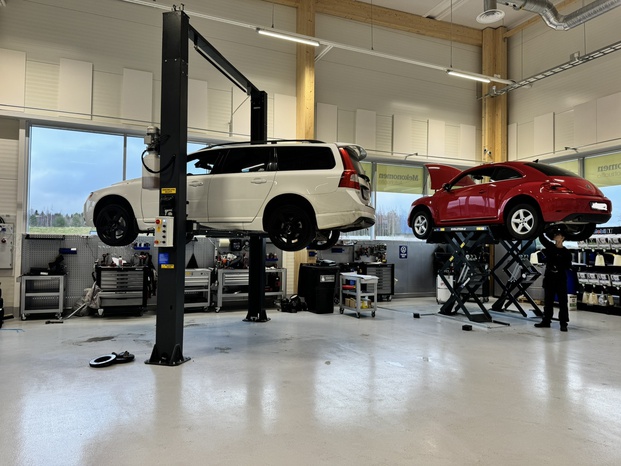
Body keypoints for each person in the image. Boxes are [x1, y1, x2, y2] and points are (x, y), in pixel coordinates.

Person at [535, 227, 573, 331]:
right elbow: (542, 239)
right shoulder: (550, 247)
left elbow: (567, 265)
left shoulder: (566, 253)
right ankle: (546, 320)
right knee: (548, 300)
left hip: (560, 277)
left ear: (562, 238)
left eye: (558, 235)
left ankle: (563, 323)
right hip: (550, 277)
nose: (556, 236)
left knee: (562, 301)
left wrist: (559, 264)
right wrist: (541, 228)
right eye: (555, 234)